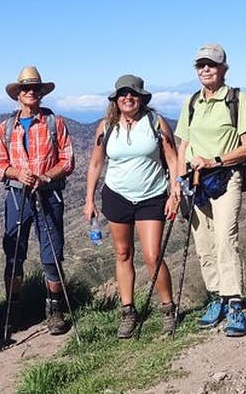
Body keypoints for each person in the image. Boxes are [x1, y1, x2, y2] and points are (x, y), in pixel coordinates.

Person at [84, 74, 181, 339]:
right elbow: (95, 164)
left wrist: (175, 191)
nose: (128, 98)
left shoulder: (155, 122)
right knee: (123, 253)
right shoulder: (105, 128)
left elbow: (172, 159)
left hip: (152, 195)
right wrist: (89, 199)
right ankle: (128, 311)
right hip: (117, 196)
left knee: (152, 256)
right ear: (115, 99)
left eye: (134, 94)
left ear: (141, 98)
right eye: (123, 94)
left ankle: (168, 309)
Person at [174, 45, 246, 337]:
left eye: (211, 64)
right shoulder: (192, 102)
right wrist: (177, 182)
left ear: (224, 68)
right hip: (195, 181)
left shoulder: (237, 99)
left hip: (225, 176)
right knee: (204, 242)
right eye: (201, 65)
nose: (205, 70)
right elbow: (182, 145)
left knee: (225, 238)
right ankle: (217, 298)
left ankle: (235, 303)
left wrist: (215, 161)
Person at [0, 65, 75, 335]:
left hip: (48, 194)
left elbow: (67, 160)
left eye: (35, 88)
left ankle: (54, 310)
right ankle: (12, 310)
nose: (31, 92)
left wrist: (46, 177)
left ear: (41, 93)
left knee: (51, 257)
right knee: (14, 256)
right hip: (17, 196)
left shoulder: (55, 123)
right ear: (18, 94)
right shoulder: (6, 128)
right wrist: (17, 172)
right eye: (26, 88)